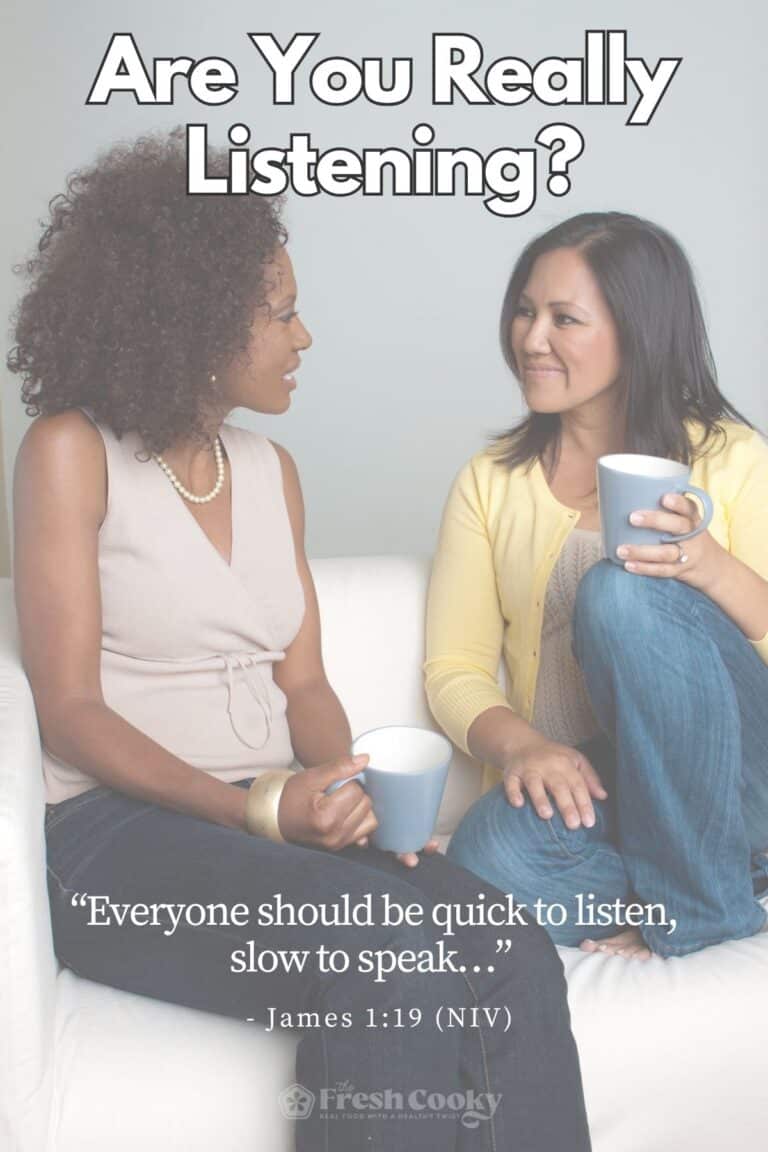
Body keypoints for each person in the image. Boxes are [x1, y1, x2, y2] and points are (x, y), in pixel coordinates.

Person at [6, 129, 591, 1151]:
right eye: (279, 313)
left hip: (263, 815)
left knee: (507, 947)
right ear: (192, 322)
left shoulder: (272, 470)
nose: (303, 334)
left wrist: (348, 793)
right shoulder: (70, 453)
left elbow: (305, 678)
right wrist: (258, 809)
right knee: (376, 946)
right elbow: (70, 709)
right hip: (112, 838)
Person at [425, 211, 768, 961]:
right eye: (525, 311)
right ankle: (721, 883)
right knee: (484, 866)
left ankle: (704, 914)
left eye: (564, 319)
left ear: (637, 333)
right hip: (608, 792)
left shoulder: (732, 457)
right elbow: (454, 668)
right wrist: (523, 748)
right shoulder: (490, 483)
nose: (531, 339)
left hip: (744, 776)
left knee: (623, 592)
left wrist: (706, 564)